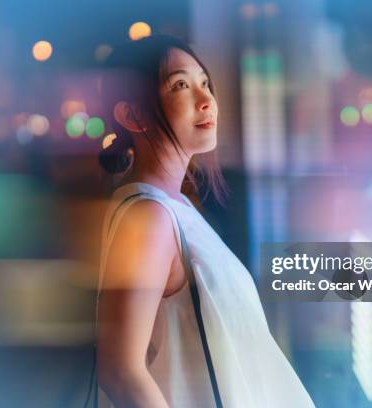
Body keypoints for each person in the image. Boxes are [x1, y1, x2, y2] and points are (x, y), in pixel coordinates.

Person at [95, 35, 315, 408]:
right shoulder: (150, 216)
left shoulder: (175, 206)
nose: (207, 99)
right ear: (132, 115)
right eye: (181, 84)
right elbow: (120, 371)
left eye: (205, 82)